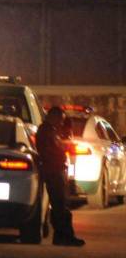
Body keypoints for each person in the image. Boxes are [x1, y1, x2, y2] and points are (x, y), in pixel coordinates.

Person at [36, 106, 84, 247]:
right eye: (60, 120)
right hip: (54, 171)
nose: (61, 123)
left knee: (61, 205)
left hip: (55, 170)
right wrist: (62, 150)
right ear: (54, 117)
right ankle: (65, 236)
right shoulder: (46, 131)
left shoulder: (50, 131)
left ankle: (61, 236)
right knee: (60, 205)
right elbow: (50, 150)